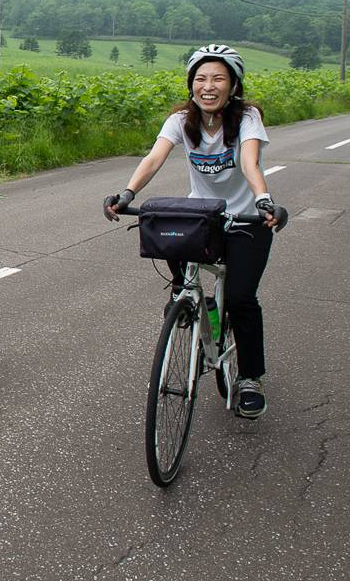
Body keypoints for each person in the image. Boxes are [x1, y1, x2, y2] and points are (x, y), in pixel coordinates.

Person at [103, 44, 288, 418]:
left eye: (218, 78)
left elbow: (250, 162)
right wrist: (127, 193)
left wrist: (264, 201)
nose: (208, 85)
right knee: (166, 229)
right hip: (204, 216)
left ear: (233, 85)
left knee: (240, 299)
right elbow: (154, 157)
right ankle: (186, 296)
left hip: (247, 219)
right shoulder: (180, 120)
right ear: (191, 84)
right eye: (201, 78)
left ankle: (249, 378)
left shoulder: (247, 117)